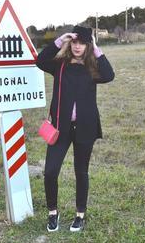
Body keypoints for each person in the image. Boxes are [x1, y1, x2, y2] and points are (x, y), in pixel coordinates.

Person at [36, 25, 115, 232]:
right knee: (51, 171)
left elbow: (109, 75)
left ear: (88, 45)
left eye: (83, 43)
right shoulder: (59, 65)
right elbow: (40, 61)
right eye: (75, 42)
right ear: (70, 43)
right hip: (59, 128)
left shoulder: (92, 67)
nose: (78, 47)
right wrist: (59, 41)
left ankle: (80, 214)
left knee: (81, 172)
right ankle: (53, 212)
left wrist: (97, 49)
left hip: (85, 127)